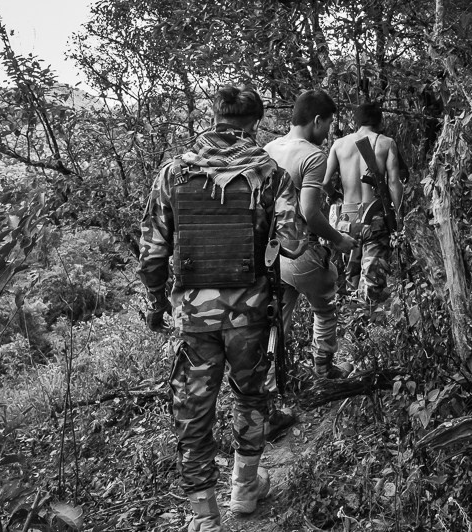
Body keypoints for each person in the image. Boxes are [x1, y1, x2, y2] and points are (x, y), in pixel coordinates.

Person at [138, 84, 299, 531]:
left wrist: (154, 302)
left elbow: (152, 251)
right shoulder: (269, 172)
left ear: (215, 116)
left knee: (192, 409)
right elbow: (294, 241)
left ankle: (204, 517)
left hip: (193, 315)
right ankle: (244, 493)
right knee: (250, 397)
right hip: (250, 312)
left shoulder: (173, 172)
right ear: (254, 122)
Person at [264, 90, 357, 382]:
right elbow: (310, 212)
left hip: (270, 252)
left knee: (276, 320)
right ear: (317, 120)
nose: (328, 132)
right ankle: (324, 369)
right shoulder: (313, 156)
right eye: (328, 124)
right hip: (303, 250)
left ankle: (269, 383)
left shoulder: (269, 148)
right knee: (325, 307)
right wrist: (339, 239)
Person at [323, 102, 404, 303]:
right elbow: (394, 183)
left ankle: (352, 327)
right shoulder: (386, 143)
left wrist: (335, 196)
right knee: (373, 284)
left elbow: (324, 182)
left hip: (346, 219)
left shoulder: (339, 145)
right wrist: (399, 216)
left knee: (351, 279)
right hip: (374, 216)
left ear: (355, 122)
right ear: (380, 121)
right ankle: (370, 319)